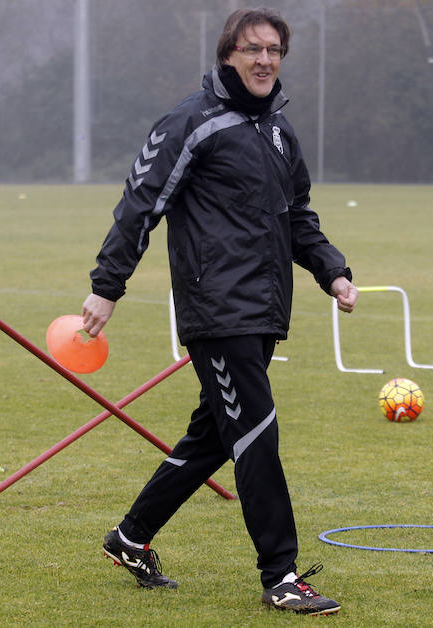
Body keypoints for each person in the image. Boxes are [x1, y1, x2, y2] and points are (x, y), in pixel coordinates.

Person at [80, 7, 357, 617]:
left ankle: (129, 537)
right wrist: (107, 286)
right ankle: (280, 575)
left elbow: (298, 218)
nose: (264, 61)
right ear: (227, 53)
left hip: (263, 310)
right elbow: (140, 204)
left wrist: (332, 269)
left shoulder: (280, 133)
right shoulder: (190, 122)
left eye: (275, 51)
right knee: (256, 431)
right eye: (253, 49)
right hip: (217, 311)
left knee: (214, 434)